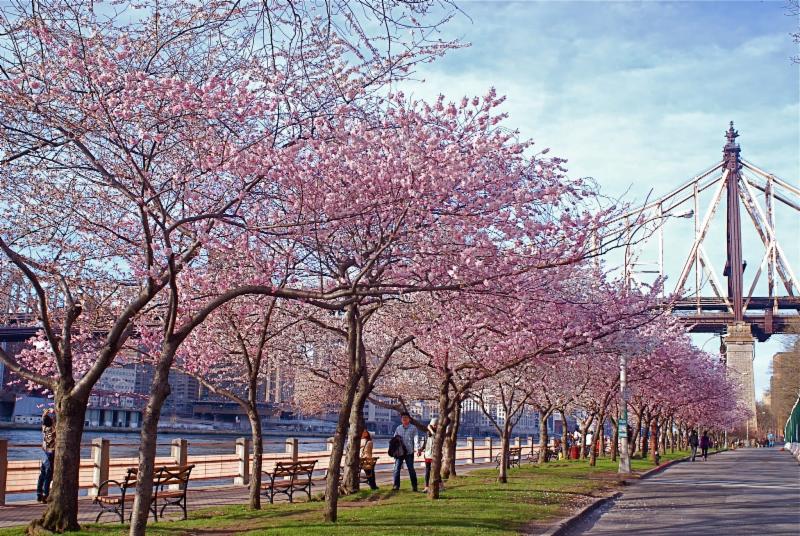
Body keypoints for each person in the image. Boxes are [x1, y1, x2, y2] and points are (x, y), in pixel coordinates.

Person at [392, 412, 421, 491]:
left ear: (409, 419)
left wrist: (418, 449)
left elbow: (416, 439)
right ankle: (396, 486)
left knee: (411, 469)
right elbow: (394, 439)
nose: (404, 419)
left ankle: (414, 486)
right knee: (396, 469)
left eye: (406, 417)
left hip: (409, 452)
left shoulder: (413, 428)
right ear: (401, 419)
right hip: (400, 453)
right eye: (402, 418)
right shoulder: (398, 428)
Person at [37, 408, 56, 503]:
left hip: (44, 452)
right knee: (48, 475)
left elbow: (44, 419)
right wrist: (54, 412)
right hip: (51, 452)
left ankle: (39, 494)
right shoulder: (53, 429)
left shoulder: (44, 428)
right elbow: (57, 420)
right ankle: (46, 495)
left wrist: (45, 413)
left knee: (42, 474)